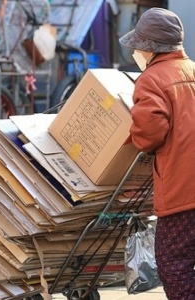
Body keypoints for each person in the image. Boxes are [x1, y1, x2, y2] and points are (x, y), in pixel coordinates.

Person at [119, 7, 195, 300]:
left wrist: (133, 136)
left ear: (148, 48)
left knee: (174, 263)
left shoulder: (152, 79)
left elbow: (150, 133)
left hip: (182, 190)